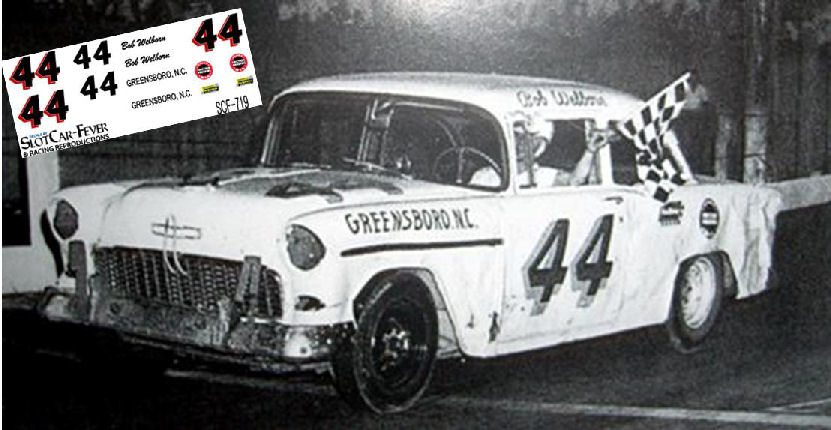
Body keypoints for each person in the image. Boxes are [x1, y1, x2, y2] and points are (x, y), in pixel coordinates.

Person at [469, 118, 610, 187]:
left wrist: (590, 151)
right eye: (516, 136)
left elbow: (574, 180)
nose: (520, 144)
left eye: (529, 139)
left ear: (540, 146)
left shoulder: (543, 176)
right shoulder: (484, 175)